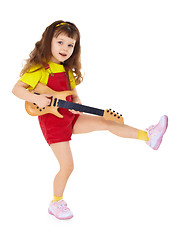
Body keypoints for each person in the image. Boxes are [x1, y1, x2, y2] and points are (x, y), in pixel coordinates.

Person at [12, 20, 168, 220]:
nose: (65, 48)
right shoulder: (39, 69)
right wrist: (36, 98)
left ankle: (149, 136)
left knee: (107, 122)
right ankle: (56, 202)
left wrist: (76, 99)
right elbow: (17, 89)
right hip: (53, 124)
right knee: (67, 166)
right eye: (60, 42)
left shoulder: (67, 70)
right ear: (48, 41)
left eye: (70, 45)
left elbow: (72, 92)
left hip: (69, 116)